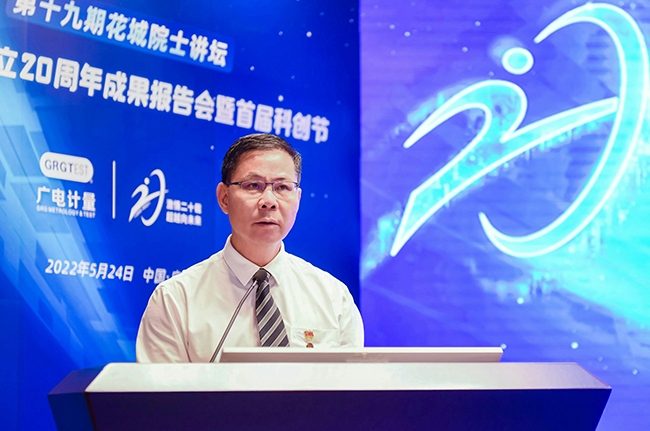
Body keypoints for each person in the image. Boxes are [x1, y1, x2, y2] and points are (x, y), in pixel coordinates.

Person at [136, 133, 364, 362]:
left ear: (297, 199)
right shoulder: (175, 300)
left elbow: (352, 383)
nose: (269, 201)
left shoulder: (333, 297)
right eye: (253, 185)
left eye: (283, 187)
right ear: (224, 198)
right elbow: (162, 386)